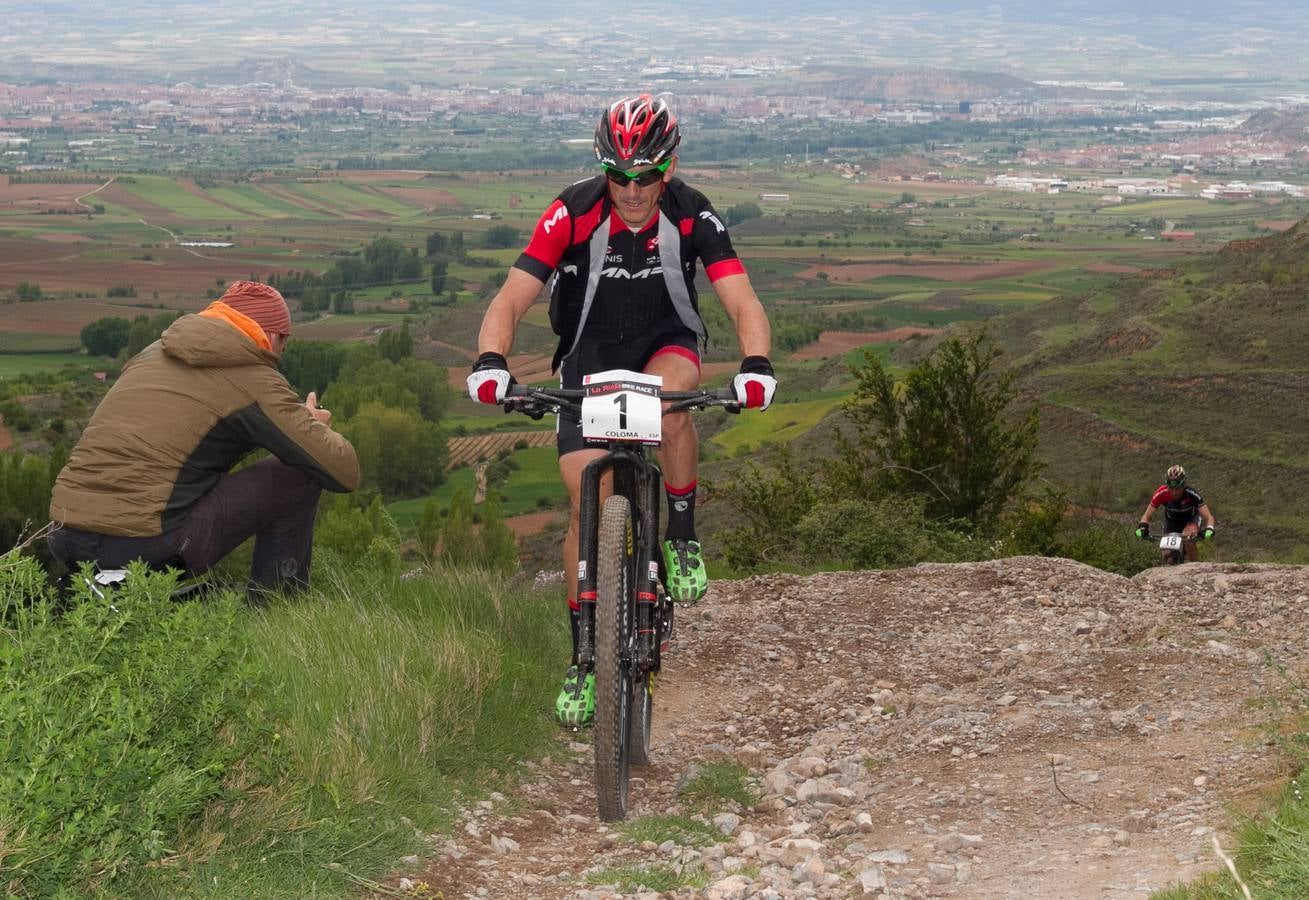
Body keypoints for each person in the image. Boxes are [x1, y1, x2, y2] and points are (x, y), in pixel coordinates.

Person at [466, 93, 776, 725]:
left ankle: (681, 534)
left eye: (647, 175)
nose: (633, 191)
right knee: (586, 492)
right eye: (619, 175)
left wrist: (756, 365)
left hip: (666, 341)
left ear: (670, 165)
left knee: (667, 409)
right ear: (603, 168)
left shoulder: (693, 213)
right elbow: (511, 297)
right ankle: (584, 658)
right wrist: (491, 362)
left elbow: (741, 299)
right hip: (590, 352)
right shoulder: (572, 211)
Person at [48, 281, 360, 601]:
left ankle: (117, 594)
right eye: (284, 344)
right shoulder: (254, 377)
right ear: (275, 336)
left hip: (64, 534)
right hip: (142, 544)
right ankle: (278, 611)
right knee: (298, 474)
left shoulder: (150, 355)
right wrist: (312, 425)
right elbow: (343, 471)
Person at [1134, 464, 1216, 562]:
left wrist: (1209, 529)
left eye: (1178, 488)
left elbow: (1209, 517)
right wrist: (1143, 527)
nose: (1174, 492)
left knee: (1188, 538)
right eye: (1170, 488)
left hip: (1190, 520)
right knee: (1167, 554)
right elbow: (1146, 516)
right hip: (1172, 521)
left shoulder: (1192, 494)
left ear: (1183, 485)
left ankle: (1195, 566)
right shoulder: (1161, 493)